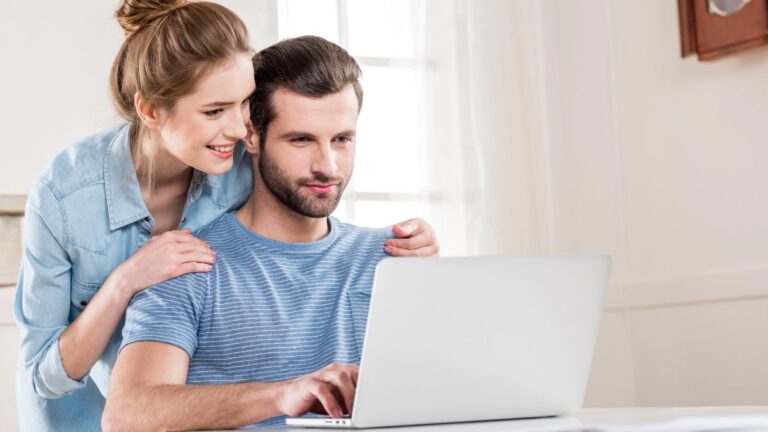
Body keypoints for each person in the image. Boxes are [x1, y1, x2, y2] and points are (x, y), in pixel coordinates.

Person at [14, 2, 438, 431]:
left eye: (243, 106)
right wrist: (124, 282)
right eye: (215, 110)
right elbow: (59, 383)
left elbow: (309, 196)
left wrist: (412, 249)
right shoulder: (69, 196)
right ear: (150, 111)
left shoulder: (236, 159)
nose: (238, 129)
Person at [103, 35, 409, 431]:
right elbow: (126, 415)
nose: (328, 166)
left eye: (342, 139)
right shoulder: (187, 263)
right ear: (251, 135)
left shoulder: (391, 258)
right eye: (301, 139)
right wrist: (283, 396)